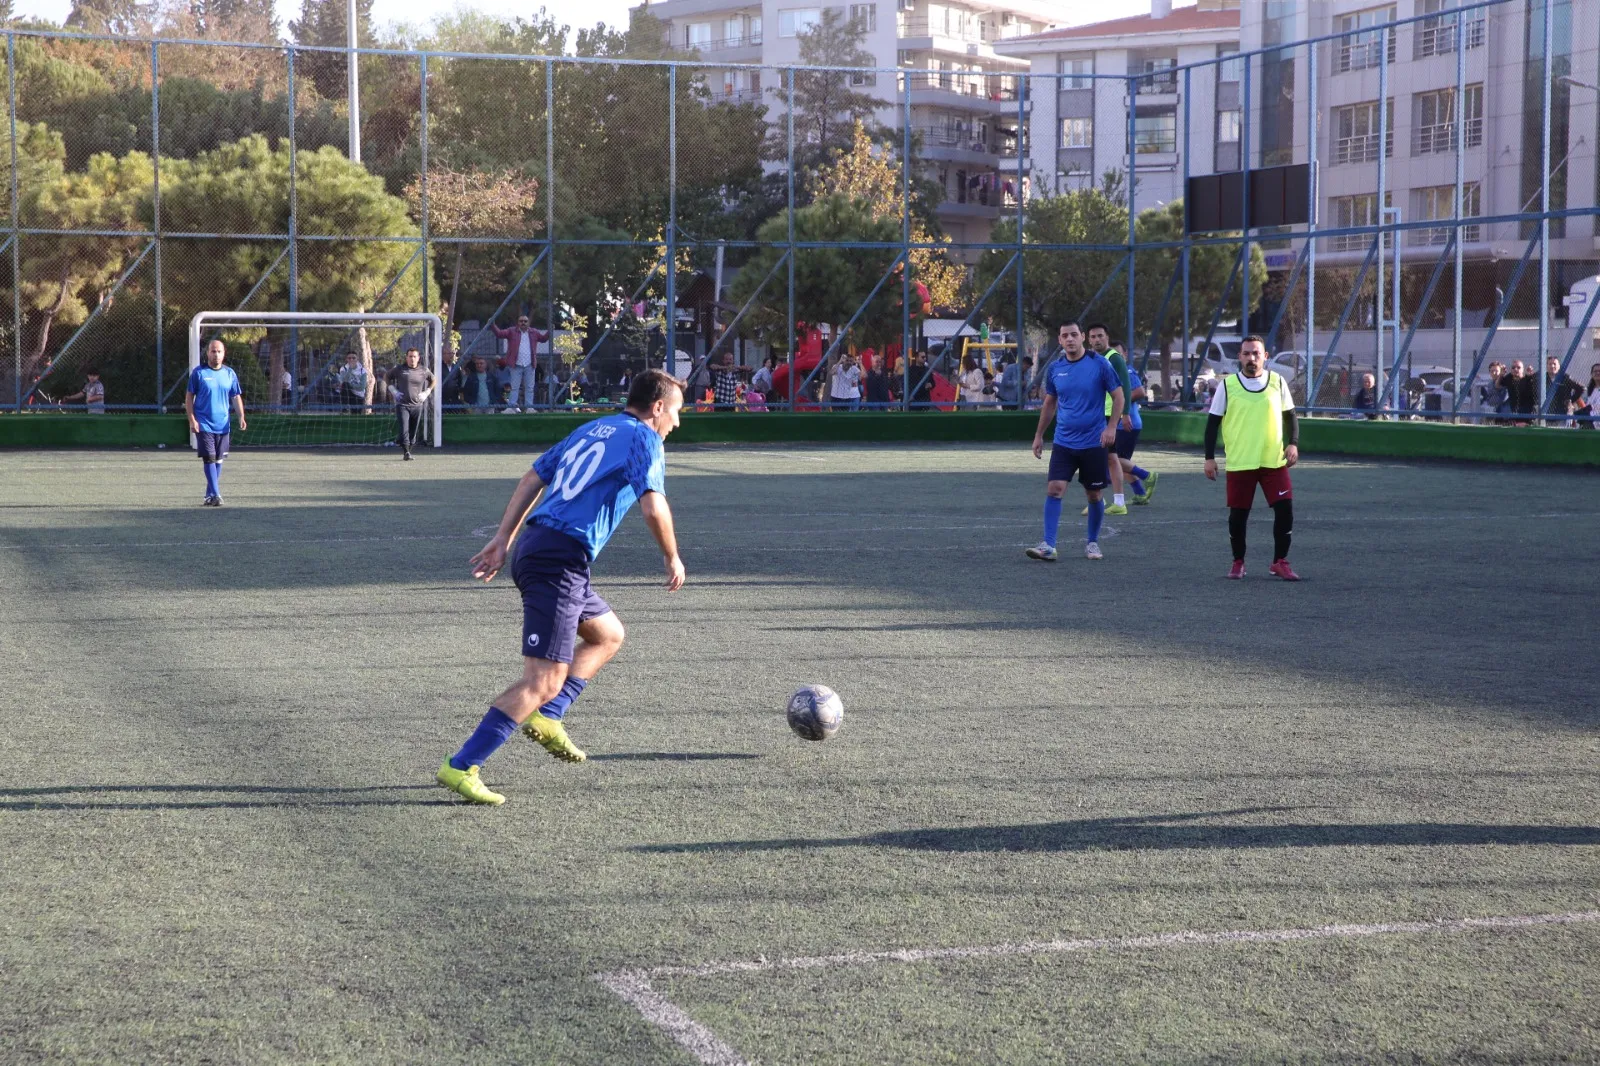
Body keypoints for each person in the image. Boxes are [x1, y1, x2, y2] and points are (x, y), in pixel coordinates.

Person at [436, 369, 689, 806]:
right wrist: (671, 556)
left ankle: (550, 716)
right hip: (559, 559)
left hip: (543, 547)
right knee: (542, 680)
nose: (678, 423)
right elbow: (653, 506)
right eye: (678, 412)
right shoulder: (645, 438)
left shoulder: (592, 427)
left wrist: (504, 538)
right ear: (659, 407)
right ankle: (461, 765)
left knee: (608, 635)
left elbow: (532, 477)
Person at [1203, 335, 1300, 581]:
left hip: (1273, 461)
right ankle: (1238, 563)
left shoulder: (1278, 382)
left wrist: (1293, 444)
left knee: (1285, 510)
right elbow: (1212, 424)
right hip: (1241, 461)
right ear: (1240, 357)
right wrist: (1209, 458)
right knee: (1238, 514)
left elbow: (1291, 417)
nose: (1251, 358)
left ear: (1265, 356)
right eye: (1246, 353)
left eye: (1256, 353)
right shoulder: (1228, 385)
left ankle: (1280, 562)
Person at [1026, 321, 1124, 562]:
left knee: (1094, 495)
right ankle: (1048, 545)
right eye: (1064, 336)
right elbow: (1049, 403)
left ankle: (1092, 542)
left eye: (1073, 335)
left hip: (1093, 442)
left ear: (1082, 337)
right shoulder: (1055, 369)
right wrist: (1039, 435)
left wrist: (1112, 427)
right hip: (1063, 442)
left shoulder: (1100, 364)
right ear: (1059, 340)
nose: (1069, 339)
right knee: (1055, 489)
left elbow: (1119, 396)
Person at [185, 339, 246, 507]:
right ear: (208, 353)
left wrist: (241, 416)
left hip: (223, 424)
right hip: (204, 423)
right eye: (213, 351)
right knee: (209, 459)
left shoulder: (229, 374)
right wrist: (192, 419)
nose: (216, 354)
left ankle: (209, 495)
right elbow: (189, 397)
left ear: (224, 353)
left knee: (218, 460)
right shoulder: (199, 373)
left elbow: (235, 396)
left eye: (219, 351)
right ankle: (217, 494)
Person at [1085, 324, 1135, 515]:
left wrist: (1125, 413)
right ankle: (1099, 499)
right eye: (1093, 337)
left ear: (1107, 337)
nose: (1097, 340)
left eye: (1100, 336)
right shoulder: (1090, 358)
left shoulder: (1114, 358)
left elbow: (1126, 387)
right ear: (1088, 339)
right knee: (1101, 457)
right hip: (1094, 415)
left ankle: (1118, 501)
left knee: (1111, 458)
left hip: (1108, 415)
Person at [1116, 366, 1159, 505]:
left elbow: (1140, 392)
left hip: (1125, 423)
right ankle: (1140, 493)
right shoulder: (1106, 368)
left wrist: (1119, 404)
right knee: (1122, 461)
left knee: (1112, 459)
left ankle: (1147, 476)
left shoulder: (1126, 370)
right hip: (1119, 423)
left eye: (1118, 352)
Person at [387, 347, 436, 460]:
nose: (412, 359)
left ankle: (408, 447)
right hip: (402, 405)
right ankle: (406, 453)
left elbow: (434, 380)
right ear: (406, 357)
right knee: (404, 429)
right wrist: (393, 390)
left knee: (413, 432)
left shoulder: (423, 370)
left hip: (417, 405)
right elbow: (387, 376)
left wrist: (427, 392)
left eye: (414, 356)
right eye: (410, 356)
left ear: (418, 358)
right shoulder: (399, 369)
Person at [493, 314, 548, 412]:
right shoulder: (511, 331)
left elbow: (543, 339)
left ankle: (529, 407)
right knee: (514, 387)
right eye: (521, 321)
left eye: (525, 321)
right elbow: (499, 334)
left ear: (528, 323)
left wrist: (550, 331)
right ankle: (511, 407)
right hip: (516, 364)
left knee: (530, 387)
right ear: (517, 323)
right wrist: (492, 325)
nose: (523, 323)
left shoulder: (534, 332)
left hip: (529, 364)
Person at [1543, 355, 1584, 425]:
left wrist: (1570, 400)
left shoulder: (1565, 378)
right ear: (1546, 366)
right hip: (1546, 415)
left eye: (1554, 364)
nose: (1552, 366)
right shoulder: (1543, 378)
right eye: (1550, 364)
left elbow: (1581, 388)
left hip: (1563, 414)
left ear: (1559, 366)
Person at [1579, 362, 1600, 429]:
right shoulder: (1590, 390)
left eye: (1599, 371)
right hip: (1590, 422)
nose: (1598, 373)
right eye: (1595, 371)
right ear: (1591, 374)